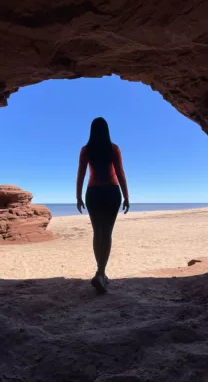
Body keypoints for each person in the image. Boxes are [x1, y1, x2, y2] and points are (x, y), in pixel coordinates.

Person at [76, 117, 130, 293]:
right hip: (111, 192)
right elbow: (120, 172)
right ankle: (101, 273)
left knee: (97, 233)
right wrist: (127, 196)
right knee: (106, 233)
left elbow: (81, 175)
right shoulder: (113, 148)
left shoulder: (86, 150)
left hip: (93, 193)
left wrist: (78, 197)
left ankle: (101, 273)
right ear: (107, 130)